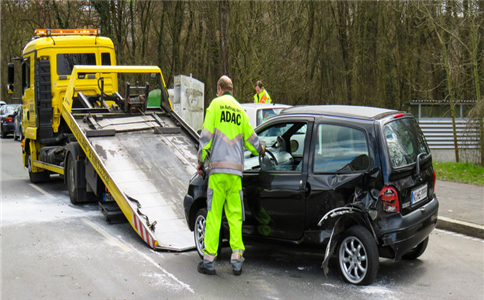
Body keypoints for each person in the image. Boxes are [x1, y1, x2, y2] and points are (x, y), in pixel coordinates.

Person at [196, 75, 265, 276]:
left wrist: (200, 162)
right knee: (235, 216)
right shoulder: (240, 111)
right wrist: (261, 149)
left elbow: (206, 137)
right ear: (231, 89)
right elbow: (252, 140)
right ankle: (237, 260)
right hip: (235, 174)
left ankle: (209, 261)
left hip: (217, 172)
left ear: (219, 89)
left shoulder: (215, 106)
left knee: (214, 215)